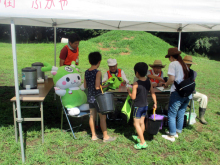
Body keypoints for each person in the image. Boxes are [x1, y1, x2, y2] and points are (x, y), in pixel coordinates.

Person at [84, 52, 116, 142]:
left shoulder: (86, 72)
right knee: (102, 117)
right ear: (99, 61)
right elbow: (97, 87)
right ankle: (105, 137)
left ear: (89, 61)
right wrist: (106, 86)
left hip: (90, 97)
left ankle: (93, 136)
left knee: (91, 116)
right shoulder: (98, 72)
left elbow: (85, 86)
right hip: (98, 98)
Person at [162, 47, 191, 142]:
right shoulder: (184, 65)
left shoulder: (173, 64)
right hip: (186, 93)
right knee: (181, 112)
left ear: (171, 57)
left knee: (171, 114)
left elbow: (171, 79)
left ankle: (172, 135)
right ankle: (177, 131)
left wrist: (166, 85)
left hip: (177, 92)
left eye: (169, 57)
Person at [127, 62, 157, 149]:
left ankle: (142, 142)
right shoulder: (149, 81)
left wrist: (129, 91)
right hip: (145, 105)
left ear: (136, 73)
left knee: (136, 124)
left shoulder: (136, 84)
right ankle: (140, 137)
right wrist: (155, 103)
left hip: (138, 107)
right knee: (141, 123)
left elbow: (133, 97)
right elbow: (153, 93)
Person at [183, 55, 208, 124]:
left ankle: (201, 117)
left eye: (188, 64)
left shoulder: (193, 73)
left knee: (204, 97)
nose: (186, 66)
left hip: (191, 92)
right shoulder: (178, 72)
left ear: (190, 65)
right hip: (180, 93)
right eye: (185, 64)